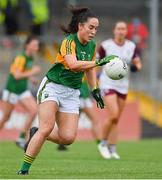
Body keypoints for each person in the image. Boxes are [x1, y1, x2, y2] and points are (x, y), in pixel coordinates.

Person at [17, 6, 115, 175]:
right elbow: (73, 64)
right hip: (53, 87)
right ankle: (24, 170)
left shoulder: (92, 46)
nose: (93, 31)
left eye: (96, 28)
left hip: (72, 92)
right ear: (80, 26)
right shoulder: (69, 41)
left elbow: (89, 69)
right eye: (91, 27)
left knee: (68, 138)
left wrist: (95, 89)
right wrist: (99, 62)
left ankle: (36, 133)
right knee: (46, 128)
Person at [97, 21, 142, 159]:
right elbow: (95, 62)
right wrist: (96, 78)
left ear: (126, 31)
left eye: (123, 29)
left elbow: (138, 62)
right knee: (114, 115)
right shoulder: (106, 45)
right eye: (118, 28)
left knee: (116, 119)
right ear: (114, 30)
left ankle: (112, 148)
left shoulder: (131, 46)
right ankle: (103, 143)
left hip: (123, 86)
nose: (121, 31)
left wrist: (136, 67)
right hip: (107, 83)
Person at [0, 35, 41, 148]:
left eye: (37, 45)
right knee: (6, 117)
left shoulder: (31, 58)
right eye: (35, 45)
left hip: (22, 90)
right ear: (27, 46)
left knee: (33, 111)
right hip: (12, 90)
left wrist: (31, 78)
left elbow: (23, 72)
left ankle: (21, 137)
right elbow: (17, 75)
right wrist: (32, 72)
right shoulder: (21, 58)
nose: (37, 47)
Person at [57, 76, 101, 151]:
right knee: (95, 120)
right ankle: (101, 144)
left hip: (80, 96)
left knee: (70, 124)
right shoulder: (82, 68)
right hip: (81, 97)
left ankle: (62, 143)